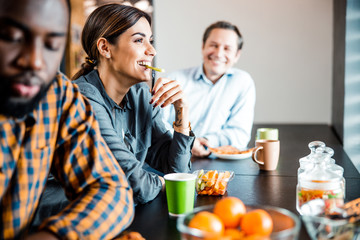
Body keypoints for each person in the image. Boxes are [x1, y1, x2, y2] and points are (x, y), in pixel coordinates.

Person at [0, 0, 134, 239]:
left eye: (52, 45)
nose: (35, 61)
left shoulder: (57, 95)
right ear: (104, 48)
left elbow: (112, 188)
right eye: (12, 37)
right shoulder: (85, 93)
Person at [72, 4, 195, 205]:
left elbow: (178, 172)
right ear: (105, 48)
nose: (152, 51)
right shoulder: (83, 99)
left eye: (151, 41)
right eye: (139, 40)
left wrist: (183, 111)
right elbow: (136, 184)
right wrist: (165, 184)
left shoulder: (141, 95)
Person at [162, 21, 256, 157]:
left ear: (237, 55)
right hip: (171, 158)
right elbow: (158, 123)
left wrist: (207, 141)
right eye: (214, 45)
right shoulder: (176, 79)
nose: (218, 53)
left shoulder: (242, 82)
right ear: (203, 47)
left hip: (219, 164)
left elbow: (239, 134)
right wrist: (186, 141)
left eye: (227, 48)